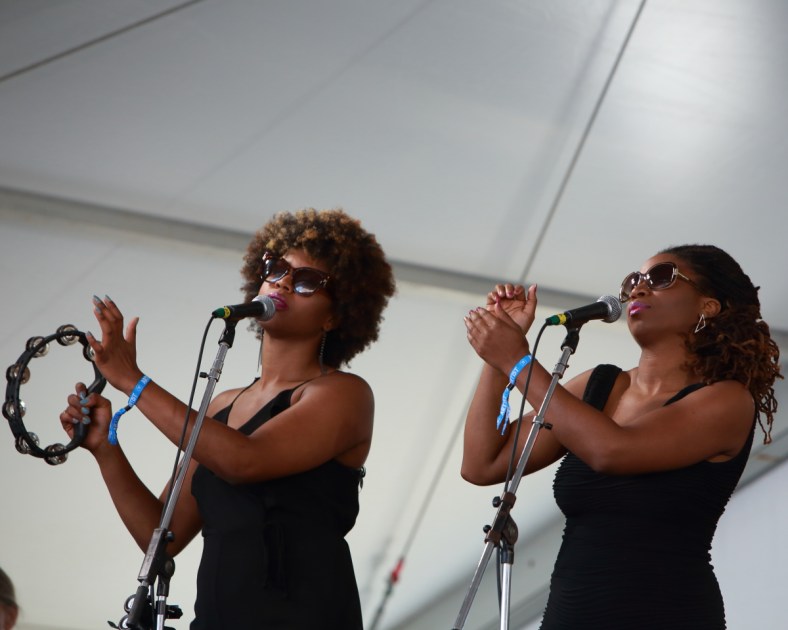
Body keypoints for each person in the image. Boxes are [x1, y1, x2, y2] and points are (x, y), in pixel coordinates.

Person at [60, 208, 396, 629]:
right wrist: (105, 449)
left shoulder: (344, 394)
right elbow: (161, 537)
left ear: (335, 315)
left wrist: (133, 381)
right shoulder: (222, 406)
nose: (283, 283)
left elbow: (244, 460)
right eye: (277, 269)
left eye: (308, 281)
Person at [461, 244, 781, 629]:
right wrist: (499, 357)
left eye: (661, 277)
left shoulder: (726, 400)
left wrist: (518, 360)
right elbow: (483, 463)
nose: (639, 288)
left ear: (708, 306)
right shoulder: (599, 387)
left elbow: (612, 450)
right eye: (633, 281)